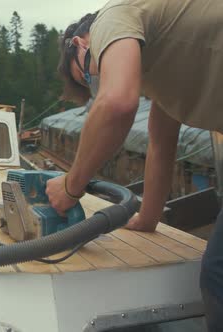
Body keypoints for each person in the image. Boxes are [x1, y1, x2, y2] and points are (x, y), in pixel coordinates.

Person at [45, 0, 223, 330]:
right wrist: (147, 218)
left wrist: (71, 186)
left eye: (88, 75)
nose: (96, 83)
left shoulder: (111, 17)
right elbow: (161, 145)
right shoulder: (164, 71)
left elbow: (117, 103)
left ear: (80, 43)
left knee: (218, 276)